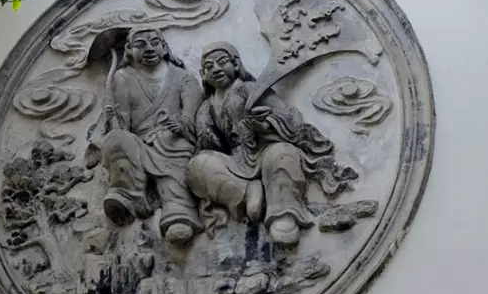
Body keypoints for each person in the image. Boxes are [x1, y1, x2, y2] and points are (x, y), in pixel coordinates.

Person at [186, 42, 356, 246]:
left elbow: (290, 117)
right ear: (204, 75)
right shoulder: (206, 107)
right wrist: (209, 139)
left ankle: (283, 213)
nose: (216, 69)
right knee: (197, 165)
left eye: (222, 62)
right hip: (234, 162)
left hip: (265, 149)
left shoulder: (251, 89)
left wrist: (265, 124)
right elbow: (207, 142)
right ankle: (246, 193)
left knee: (282, 154)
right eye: (209, 66)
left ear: (236, 64)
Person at [87, 27, 203, 245]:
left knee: (172, 145)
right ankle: (127, 195)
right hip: (139, 142)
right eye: (141, 44)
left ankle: (178, 210)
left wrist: (181, 124)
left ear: (164, 47)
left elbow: (191, 114)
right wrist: (112, 119)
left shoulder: (183, 78)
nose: (149, 48)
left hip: (172, 140)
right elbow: (124, 124)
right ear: (129, 50)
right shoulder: (122, 78)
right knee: (116, 139)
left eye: (155, 43)